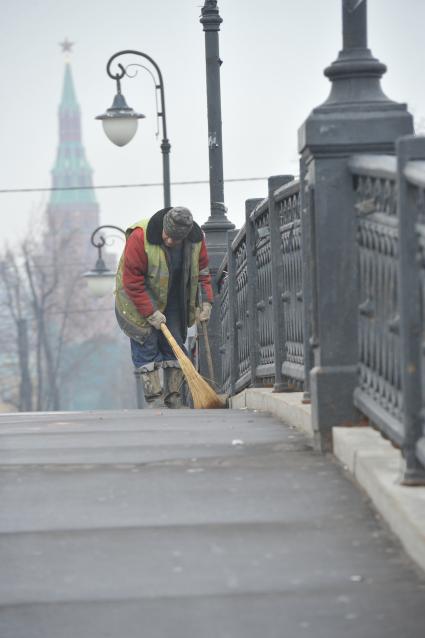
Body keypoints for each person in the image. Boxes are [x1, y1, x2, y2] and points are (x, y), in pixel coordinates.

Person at [115, 206, 213, 408]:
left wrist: (206, 301)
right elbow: (132, 281)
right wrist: (150, 312)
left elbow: (202, 271)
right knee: (147, 343)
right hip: (136, 298)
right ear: (163, 227)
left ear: (185, 237)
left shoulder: (196, 240)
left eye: (175, 240)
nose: (169, 241)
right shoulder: (140, 237)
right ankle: (155, 399)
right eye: (167, 236)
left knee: (175, 343)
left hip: (175, 297)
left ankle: (173, 397)